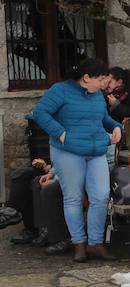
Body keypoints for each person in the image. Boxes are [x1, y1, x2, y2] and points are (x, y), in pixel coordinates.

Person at [30, 58, 122, 262]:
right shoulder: (60, 90)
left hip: (95, 150)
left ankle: (95, 244)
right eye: (100, 79)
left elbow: (103, 118)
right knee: (73, 198)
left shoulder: (97, 94)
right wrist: (60, 133)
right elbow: (40, 113)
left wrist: (116, 126)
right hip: (67, 151)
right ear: (86, 78)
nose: (103, 83)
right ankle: (79, 244)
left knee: (101, 196)